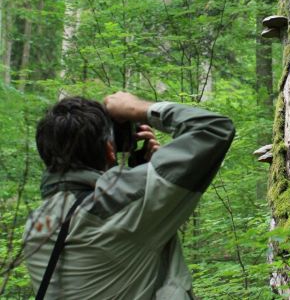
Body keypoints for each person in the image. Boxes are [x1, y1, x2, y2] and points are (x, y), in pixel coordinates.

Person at [24, 91, 235, 299]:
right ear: (109, 149)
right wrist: (139, 109)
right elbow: (214, 129)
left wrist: (140, 171)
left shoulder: (35, 224)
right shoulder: (121, 206)